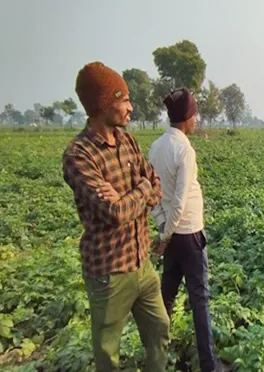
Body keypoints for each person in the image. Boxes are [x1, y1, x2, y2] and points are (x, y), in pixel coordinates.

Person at [62, 62, 169, 371]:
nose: (130, 107)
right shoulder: (79, 155)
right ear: (104, 104)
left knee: (160, 332)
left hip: (142, 264)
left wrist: (140, 189)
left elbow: (156, 187)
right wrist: (142, 189)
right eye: (124, 101)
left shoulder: (128, 142)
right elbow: (114, 212)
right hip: (109, 273)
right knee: (108, 357)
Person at [148, 88, 222, 372]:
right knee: (200, 300)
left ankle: (157, 358)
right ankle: (209, 365)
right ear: (187, 117)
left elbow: (153, 195)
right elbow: (179, 200)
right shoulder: (184, 150)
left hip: (171, 236)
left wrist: (162, 229)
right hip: (188, 235)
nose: (196, 120)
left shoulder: (156, 147)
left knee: (166, 297)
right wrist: (166, 235)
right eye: (195, 115)